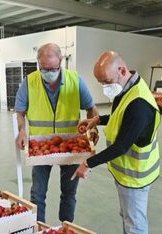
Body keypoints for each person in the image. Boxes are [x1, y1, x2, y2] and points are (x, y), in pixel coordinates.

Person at [73, 51, 161, 234]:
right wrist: (97, 120)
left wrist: (87, 164)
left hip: (135, 176)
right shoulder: (126, 88)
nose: (105, 87)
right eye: (101, 83)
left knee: (135, 225)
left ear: (121, 70)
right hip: (125, 174)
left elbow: (121, 146)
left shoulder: (139, 103)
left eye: (106, 81)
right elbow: (120, 119)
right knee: (128, 219)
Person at [15, 43, 99, 223]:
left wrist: (90, 131)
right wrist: (22, 131)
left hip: (71, 146)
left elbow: (92, 109)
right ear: (38, 63)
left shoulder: (75, 80)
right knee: (37, 194)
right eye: (43, 68)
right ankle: (38, 231)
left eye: (52, 68)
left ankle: (66, 228)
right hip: (40, 147)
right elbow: (20, 111)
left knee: (69, 192)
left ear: (60, 62)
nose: (48, 72)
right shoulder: (29, 82)